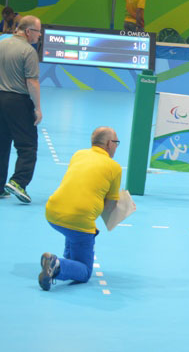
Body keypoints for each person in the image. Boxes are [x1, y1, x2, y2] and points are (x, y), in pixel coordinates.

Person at [38, 127, 125, 291]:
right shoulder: (115, 168)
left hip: (52, 213)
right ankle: (56, 264)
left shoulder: (78, 154)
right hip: (78, 221)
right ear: (108, 144)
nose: (116, 147)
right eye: (116, 143)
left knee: (73, 233)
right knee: (85, 271)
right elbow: (111, 205)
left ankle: (64, 261)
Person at [0, 16, 42, 203]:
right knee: (28, 145)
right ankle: (19, 182)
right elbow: (31, 82)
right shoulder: (28, 51)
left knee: (1, 144)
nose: (39, 35)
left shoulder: (1, 43)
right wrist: (38, 108)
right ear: (28, 31)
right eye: (38, 31)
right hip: (17, 100)